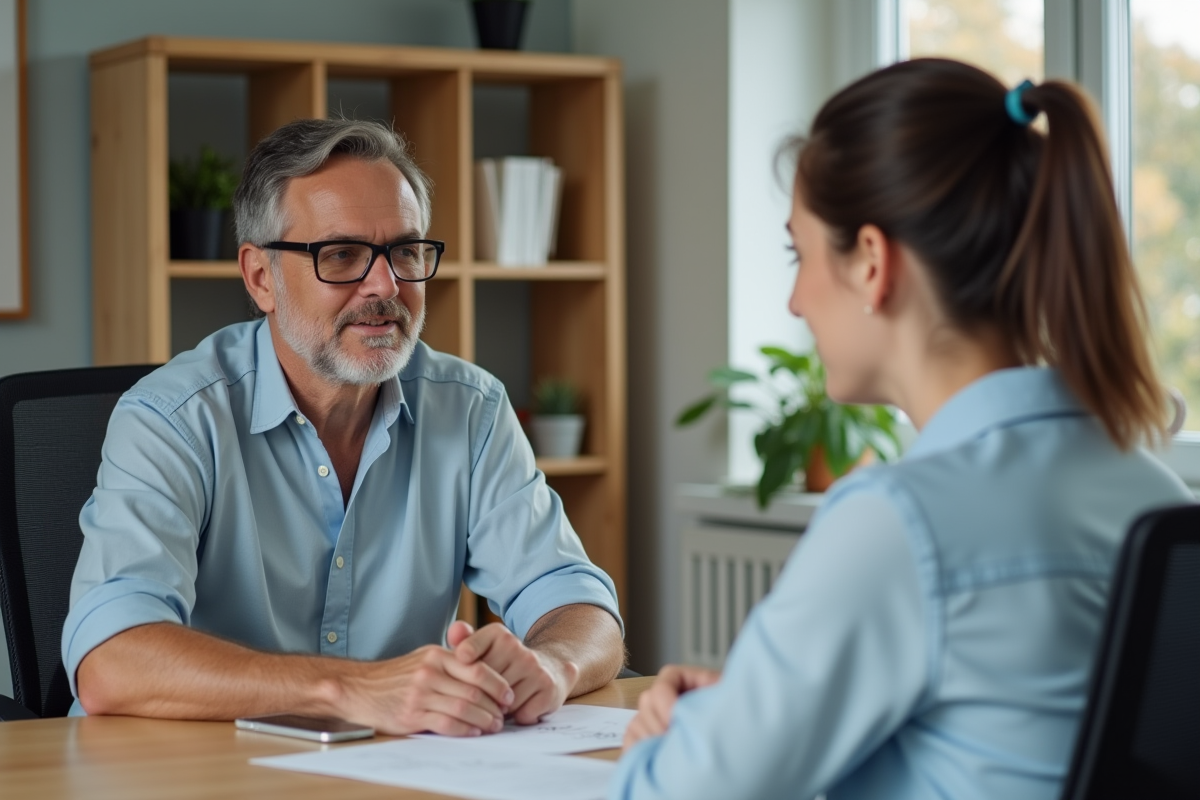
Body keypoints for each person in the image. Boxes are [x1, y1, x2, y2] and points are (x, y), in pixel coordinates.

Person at [611, 59, 1192, 800]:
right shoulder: (1154, 492)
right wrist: (752, 706)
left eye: (801, 254)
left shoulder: (901, 522)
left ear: (873, 264)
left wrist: (668, 743)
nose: (793, 300)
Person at [63, 118, 624, 736]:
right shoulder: (171, 419)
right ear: (260, 278)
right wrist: (350, 689)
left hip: (389, 768)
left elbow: (573, 594)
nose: (385, 286)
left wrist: (551, 665)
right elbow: (111, 658)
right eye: (342, 255)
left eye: (406, 251)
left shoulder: (470, 409)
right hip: (187, 770)